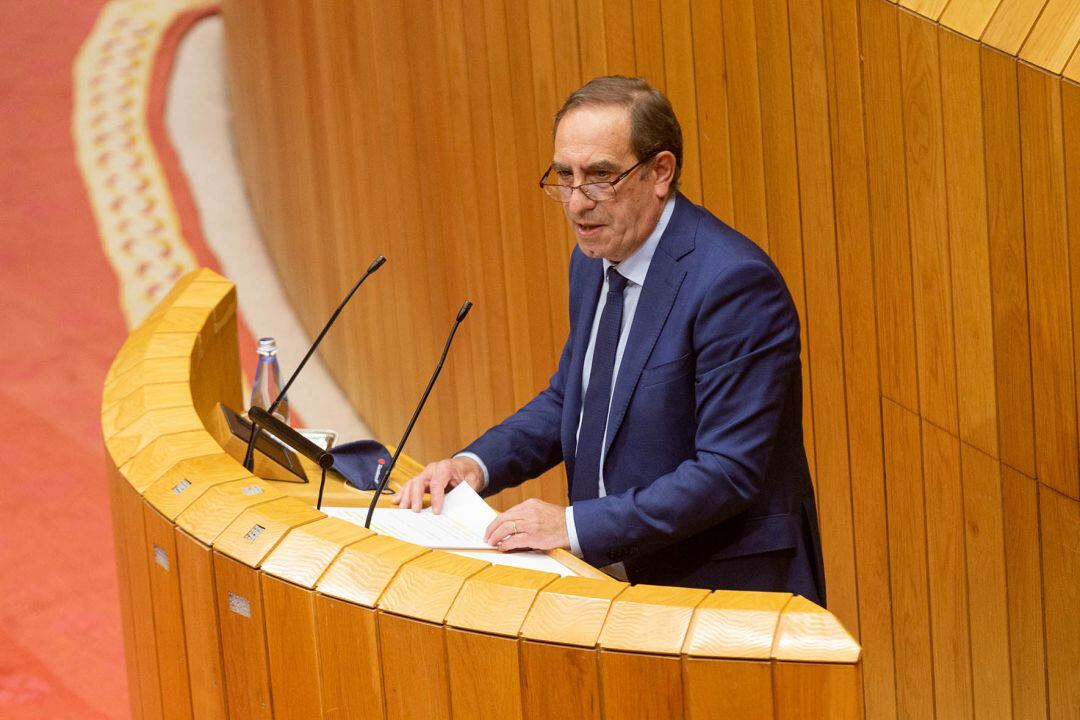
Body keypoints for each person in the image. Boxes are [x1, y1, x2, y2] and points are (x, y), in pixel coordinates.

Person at [394, 76, 825, 604]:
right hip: (619, 578)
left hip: (722, 589)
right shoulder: (594, 257)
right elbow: (572, 400)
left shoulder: (733, 285)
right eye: (564, 176)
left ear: (660, 172)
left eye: (600, 176)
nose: (577, 204)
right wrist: (475, 466)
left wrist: (573, 527)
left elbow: (727, 471)